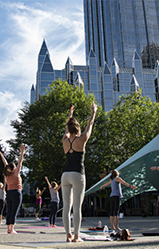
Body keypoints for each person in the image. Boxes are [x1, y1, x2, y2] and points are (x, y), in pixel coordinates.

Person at [62, 102, 97, 242]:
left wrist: (70, 116)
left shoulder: (65, 139)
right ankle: (76, 236)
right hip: (78, 174)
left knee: (66, 207)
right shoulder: (82, 139)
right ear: (77, 129)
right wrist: (93, 112)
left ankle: (68, 235)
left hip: (65, 175)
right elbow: (91, 125)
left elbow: (67, 129)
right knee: (77, 207)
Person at [0, 145, 26, 234]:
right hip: (16, 192)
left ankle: (8, 229)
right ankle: (12, 229)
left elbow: (4, 163)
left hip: (9, 193)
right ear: (14, 168)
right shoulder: (15, 172)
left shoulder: (7, 174)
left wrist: (1, 155)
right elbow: (20, 162)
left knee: (9, 210)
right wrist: (22, 152)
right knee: (14, 211)